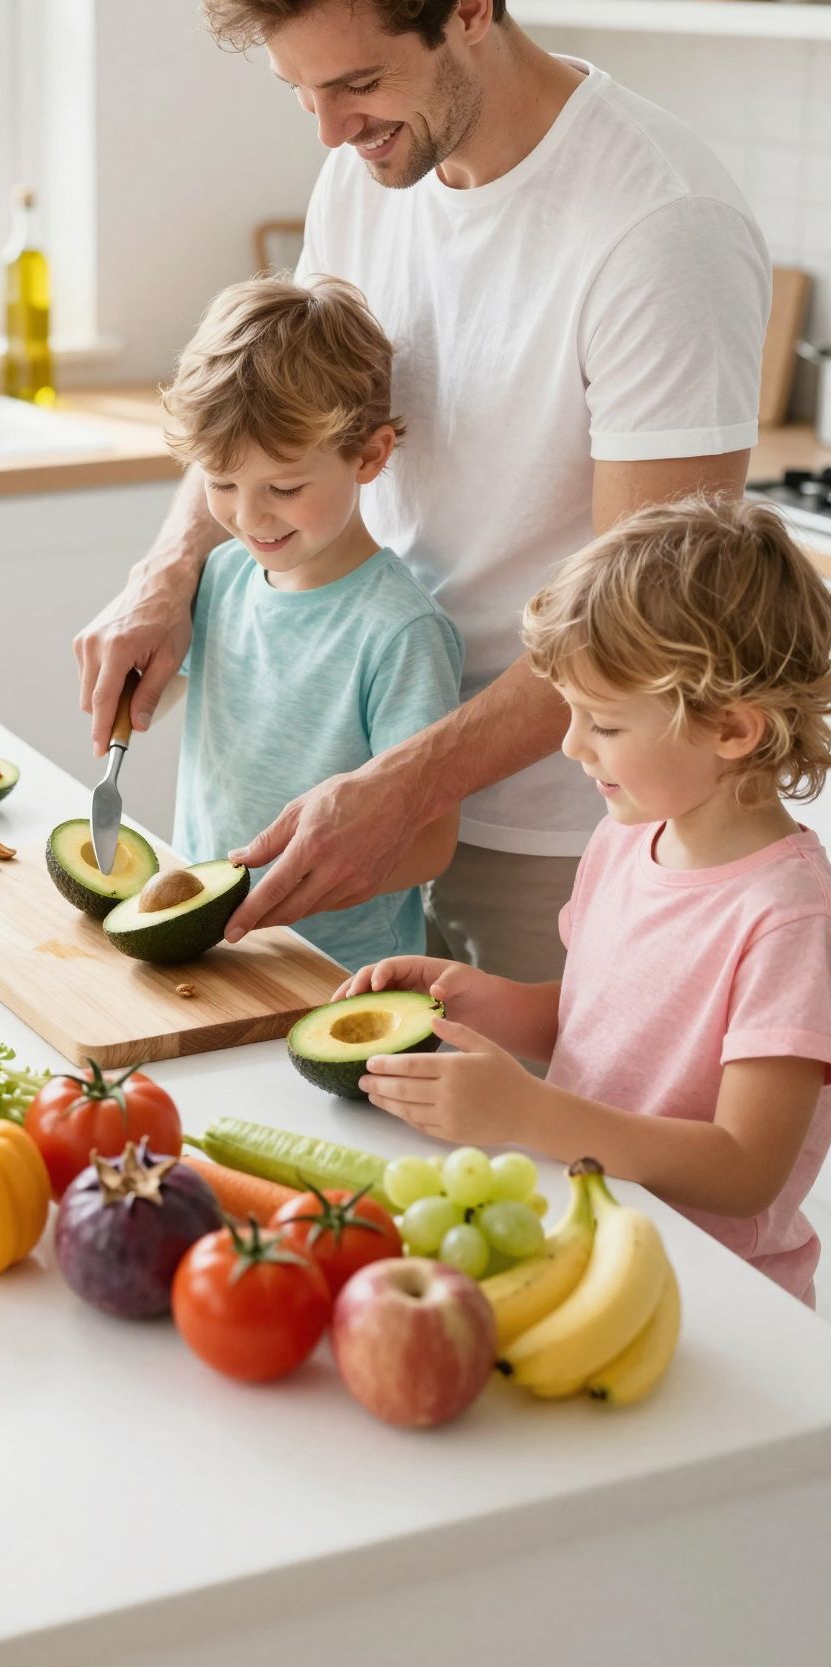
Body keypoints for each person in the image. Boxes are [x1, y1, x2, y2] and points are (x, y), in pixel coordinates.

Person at [75, 0, 770, 981]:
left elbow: (649, 610)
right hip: (356, 791)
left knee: (524, 1158)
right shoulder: (369, 169)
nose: (333, 130)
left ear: (470, 7)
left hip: (558, 827)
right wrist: (168, 571)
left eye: (355, 83)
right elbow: (273, 415)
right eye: (300, 91)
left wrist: (405, 784)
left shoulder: (659, 227)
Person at [341, 496, 831, 1302]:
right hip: (588, 1237)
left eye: (602, 724)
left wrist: (530, 1114)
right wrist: (483, 1002)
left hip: (715, 1293)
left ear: (733, 731)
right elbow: (600, 1017)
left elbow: (746, 1169)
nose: (571, 746)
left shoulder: (786, 918)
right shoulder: (624, 839)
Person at [155, 272, 462, 973]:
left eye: (285, 488)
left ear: (370, 455)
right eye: (222, 484)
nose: (250, 516)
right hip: (213, 951)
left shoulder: (400, 632)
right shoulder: (223, 577)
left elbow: (431, 843)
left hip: (341, 972)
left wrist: (283, 892)